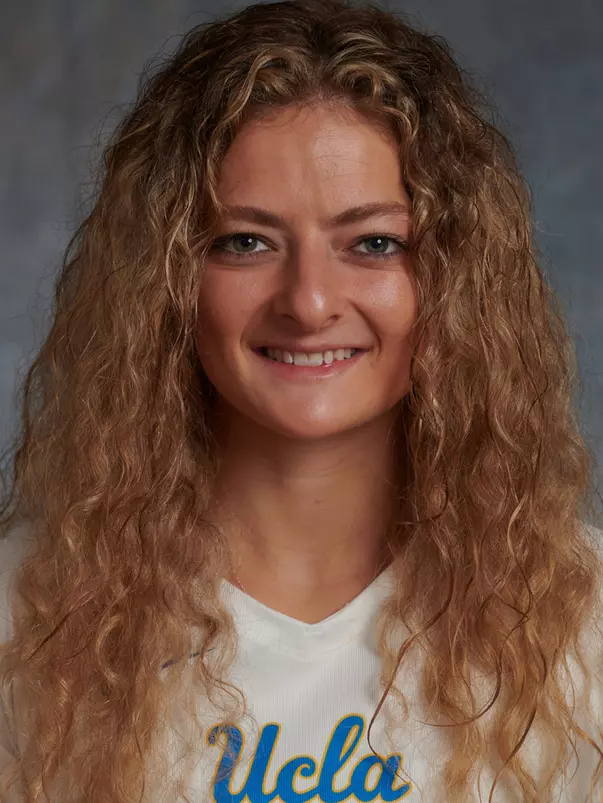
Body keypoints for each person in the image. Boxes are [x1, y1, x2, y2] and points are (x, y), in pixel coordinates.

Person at [1, 0, 602, 800]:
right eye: (244, 241)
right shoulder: (24, 619)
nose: (309, 301)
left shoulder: (581, 622)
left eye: (374, 244)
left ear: (457, 280)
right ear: (165, 282)